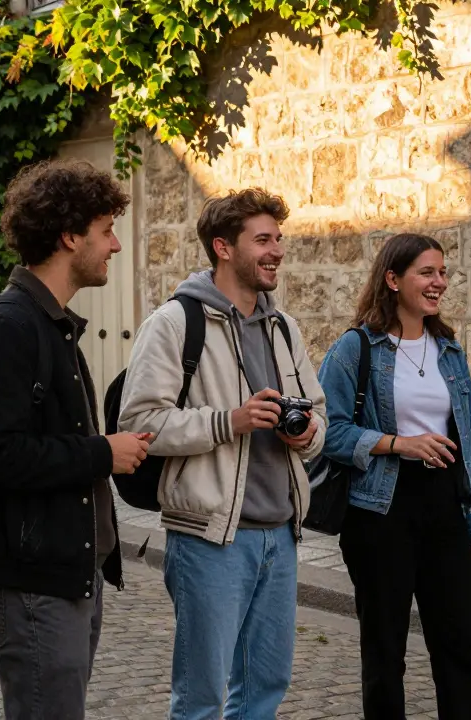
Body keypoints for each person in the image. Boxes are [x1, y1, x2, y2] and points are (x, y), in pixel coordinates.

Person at [117, 187, 327, 720]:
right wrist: (228, 421)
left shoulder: (284, 328)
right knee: (202, 696)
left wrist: (306, 436)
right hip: (210, 539)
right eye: (263, 240)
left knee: (264, 688)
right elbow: (140, 424)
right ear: (223, 247)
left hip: (280, 535)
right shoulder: (173, 323)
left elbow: (319, 414)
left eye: (279, 239)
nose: (277, 250)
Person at [0, 159, 152, 719]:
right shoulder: (8, 326)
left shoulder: (51, 322)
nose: (115, 245)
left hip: (68, 569)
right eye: (106, 229)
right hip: (33, 579)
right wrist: (101, 453)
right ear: (70, 236)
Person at [317, 233, 471, 719]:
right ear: (393, 279)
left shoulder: (448, 349)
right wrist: (397, 443)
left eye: (442, 273)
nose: (439, 282)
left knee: (459, 644)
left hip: (445, 504)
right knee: (384, 649)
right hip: (379, 509)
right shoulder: (356, 348)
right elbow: (325, 430)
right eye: (426, 273)